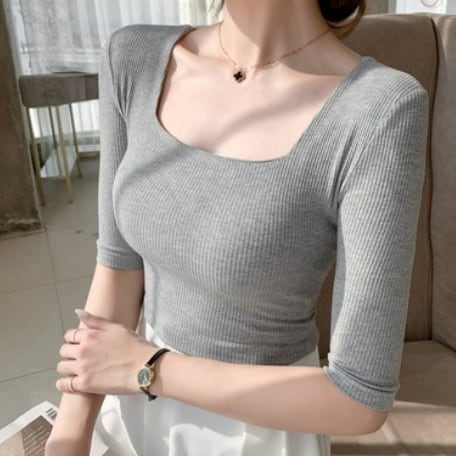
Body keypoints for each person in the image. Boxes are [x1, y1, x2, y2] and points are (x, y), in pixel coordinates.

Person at [45, 0, 428, 454]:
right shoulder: (133, 58)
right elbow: (117, 270)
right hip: (129, 403)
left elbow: (360, 399)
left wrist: (151, 368)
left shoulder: (379, 108)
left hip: (257, 430)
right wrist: (67, 438)